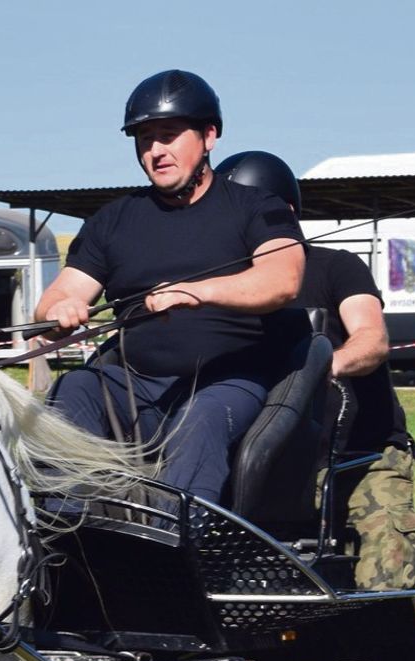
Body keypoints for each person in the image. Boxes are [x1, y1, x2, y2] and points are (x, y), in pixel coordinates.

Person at [35, 69, 304, 507]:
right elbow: (55, 298)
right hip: (132, 384)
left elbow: (283, 279)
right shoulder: (112, 221)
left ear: (209, 136)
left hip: (228, 383)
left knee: (201, 418)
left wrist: (196, 291)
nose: (155, 151)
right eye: (144, 139)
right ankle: (65, 534)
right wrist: (60, 309)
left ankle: (172, 553)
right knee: (72, 391)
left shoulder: (258, 208)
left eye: (169, 135)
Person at [216, 149, 415, 590]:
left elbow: (372, 339)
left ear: (285, 212)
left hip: (358, 455)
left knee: (386, 558)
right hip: (261, 461)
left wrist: (317, 372)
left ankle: (392, 646)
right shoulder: (224, 285)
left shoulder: (337, 267)